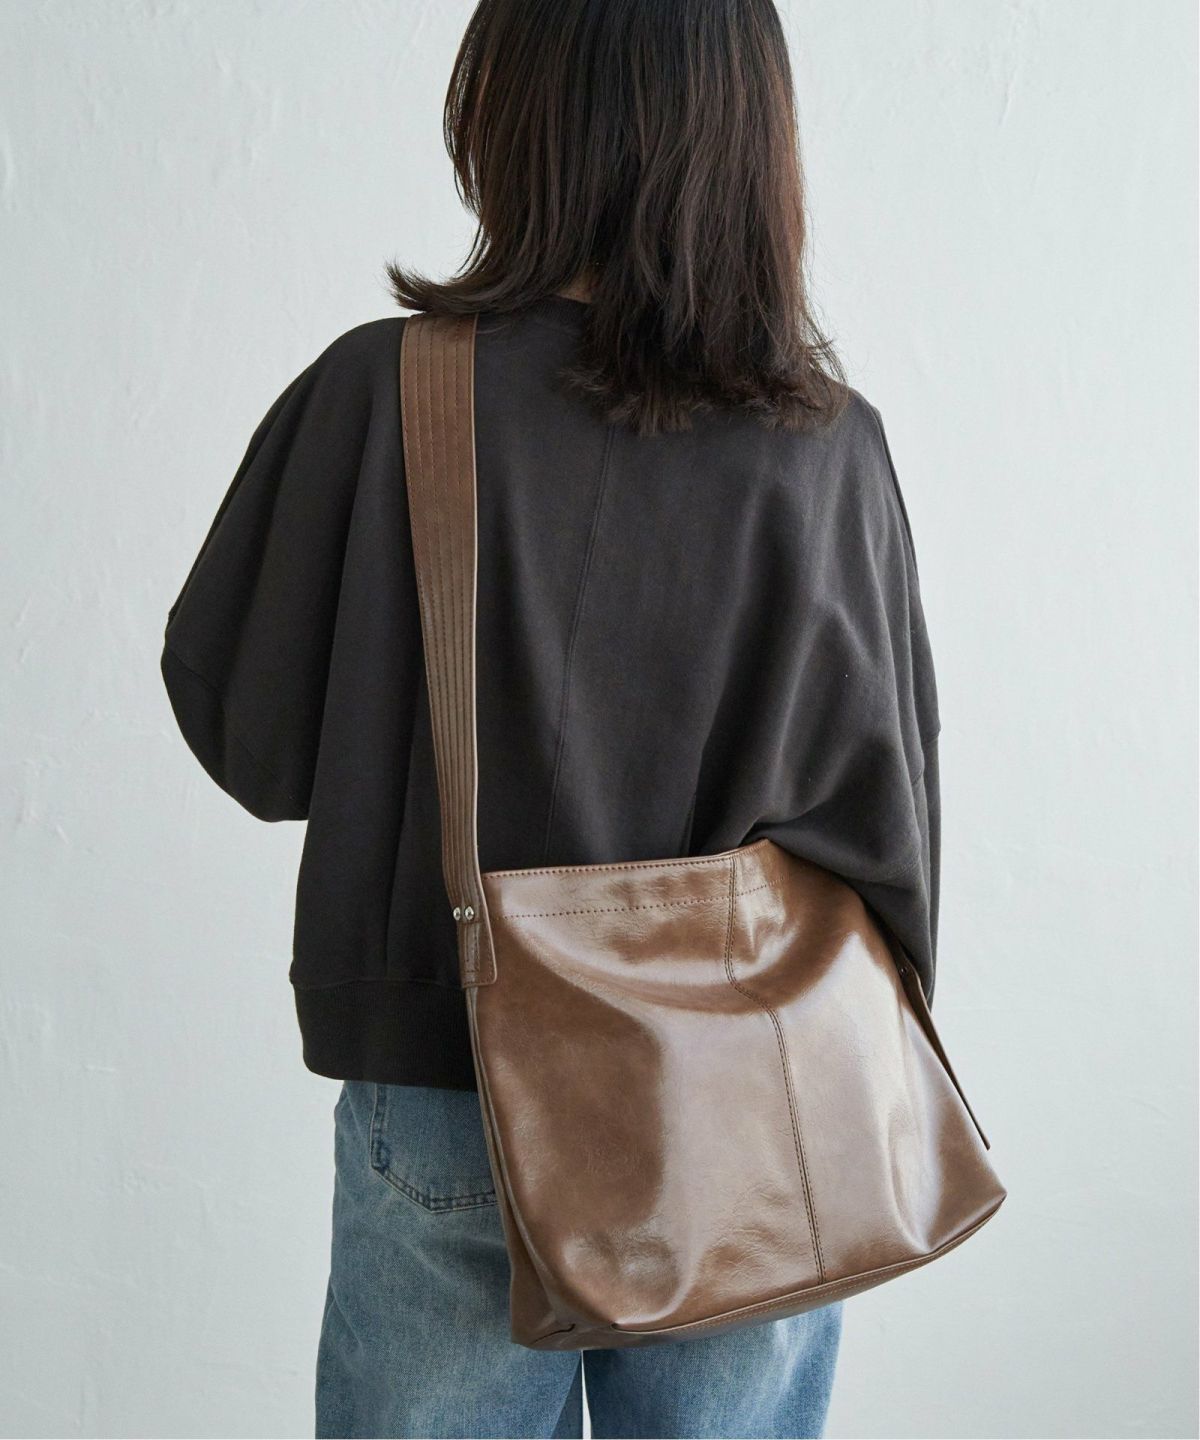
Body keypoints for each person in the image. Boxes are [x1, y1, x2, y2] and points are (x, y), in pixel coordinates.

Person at [160, 1, 941, 1435]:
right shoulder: (827, 447)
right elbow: (886, 830)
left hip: (453, 1078)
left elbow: (253, 741)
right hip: (751, 1106)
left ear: (510, 114)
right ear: (752, 138)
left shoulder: (388, 392)